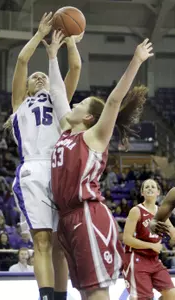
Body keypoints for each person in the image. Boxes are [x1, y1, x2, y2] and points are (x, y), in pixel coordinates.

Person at [43, 32, 153, 299]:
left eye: (79, 103)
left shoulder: (94, 136)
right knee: (84, 291)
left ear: (90, 116)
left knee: (96, 292)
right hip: (68, 218)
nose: (73, 104)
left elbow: (114, 101)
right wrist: (52, 56)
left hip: (88, 215)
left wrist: (136, 61)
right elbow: (57, 92)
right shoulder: (67, 132)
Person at [7, 12, 82, 300]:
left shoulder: (59, 97)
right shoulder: (19, 104)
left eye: (43, 75)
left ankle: (61, 297)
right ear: (26, 88)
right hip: (35, 170)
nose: (39, 75)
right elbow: (22, 62)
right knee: (42, 240)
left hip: (60, 167)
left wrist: (71, 41)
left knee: (62, 244)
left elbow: (74, 68)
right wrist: (39, 35)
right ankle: (46, 296)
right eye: (35, 78)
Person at [123, 179, 175, 299]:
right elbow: (126, 239)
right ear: (142, 193)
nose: (150, 188)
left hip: (154, 260)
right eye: (146, 187)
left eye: (153, 186)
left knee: (171, 295)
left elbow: (172, 232)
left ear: (158, 192)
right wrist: (152, 245)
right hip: (137, 259)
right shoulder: (136, 211)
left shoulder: (161, 213)